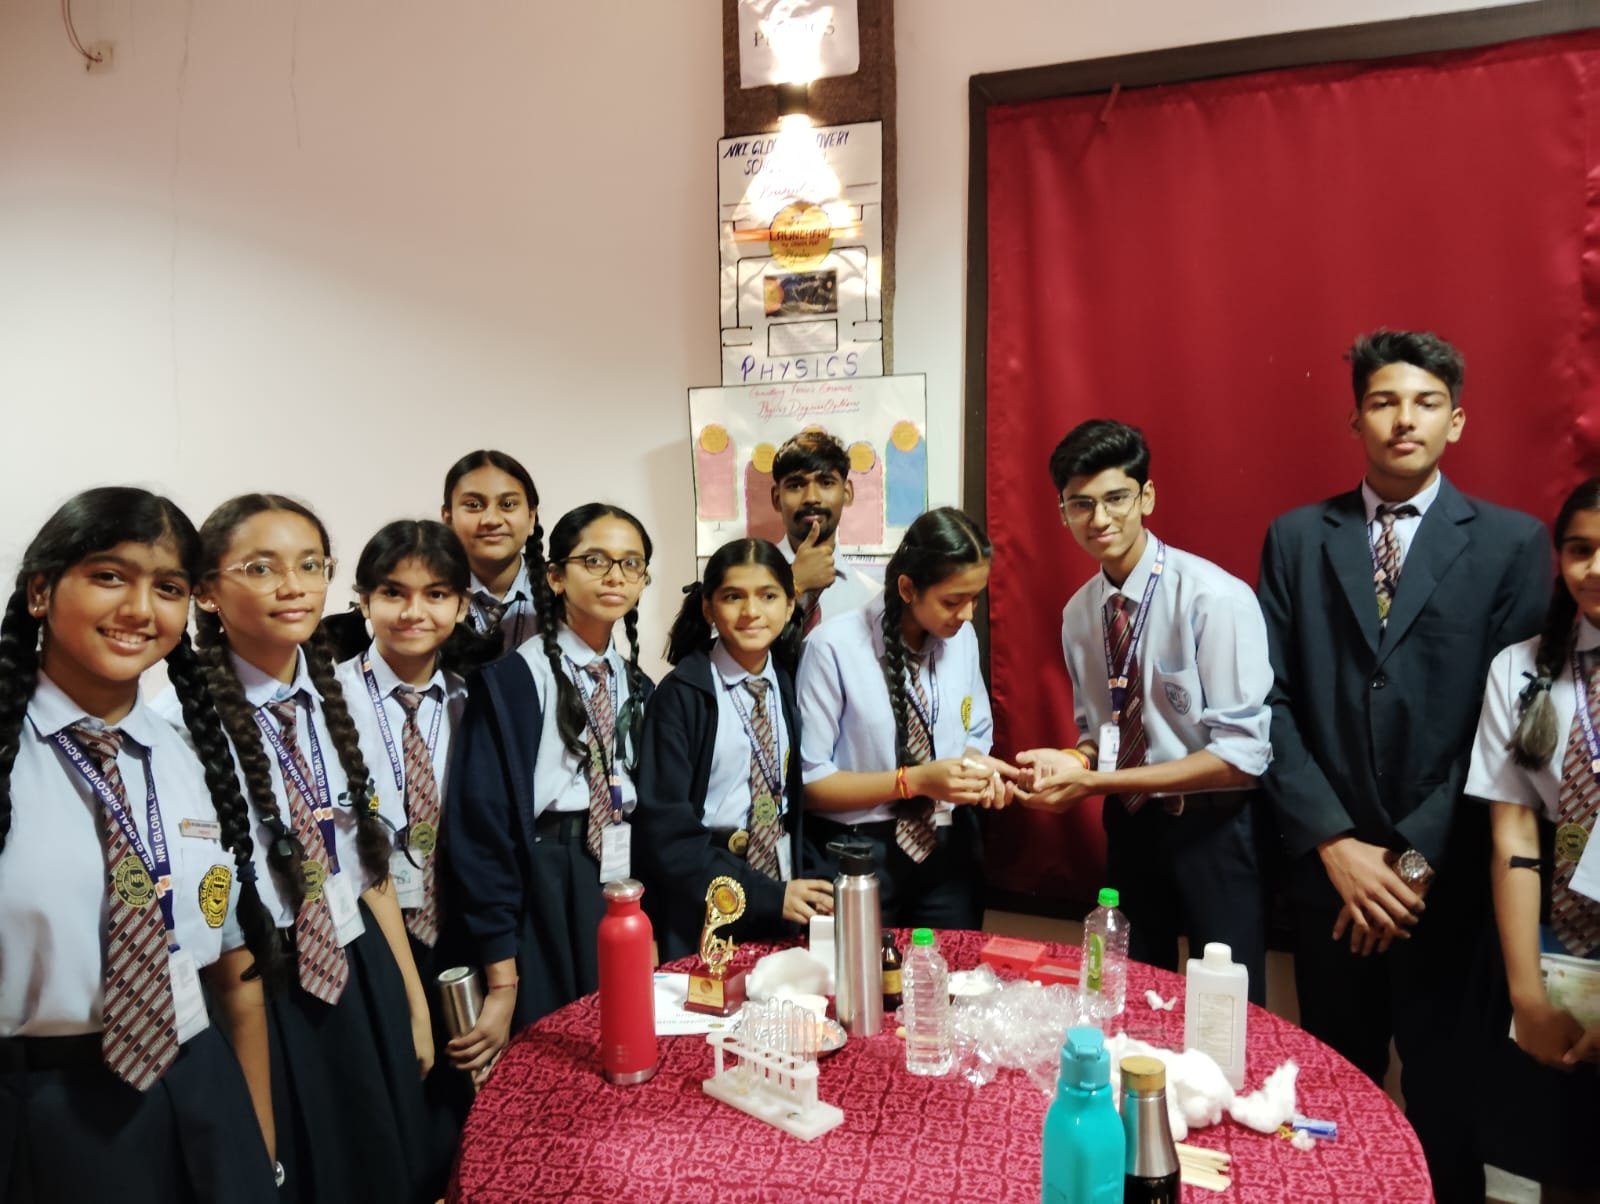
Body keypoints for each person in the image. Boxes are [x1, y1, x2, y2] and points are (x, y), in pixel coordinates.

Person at [1256, 329, 1549, 1201]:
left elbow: (1507, 727)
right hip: (1331, 881)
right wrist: (1337, 846)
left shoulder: (1512, 544)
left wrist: (1410, 867)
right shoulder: (1296, 538)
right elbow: (1266, 702)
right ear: (1355, 418)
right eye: (1384, 401)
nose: (1404, 419)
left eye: (1426, 403)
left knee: (1446, 1111)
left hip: (1443, 888)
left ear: (1456, 421)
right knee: (1329, 1097)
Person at [0, 487, 277, 1202]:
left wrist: (258, 1145)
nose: (139, 610)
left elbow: (233, 969)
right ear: (40, 591)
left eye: (169, 588)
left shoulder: (189, 751)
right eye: (108, 576)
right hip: (44, 1110)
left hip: (200, 1080)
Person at [177, 493, 437, 1204]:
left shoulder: (338, 698)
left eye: (311, 565)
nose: (293, 586)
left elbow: (370, 865)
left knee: (386, 1164)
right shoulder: (179, 724)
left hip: (360, 962)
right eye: (261, 568)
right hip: (263, 983)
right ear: (206, 591)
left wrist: (411, 998)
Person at [1016, 420, 1273, 1001]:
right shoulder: (1079, 614)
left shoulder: (1213, 598)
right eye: (1081, 504)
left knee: (1225, 1009)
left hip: (1213, 829)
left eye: (1116, 498)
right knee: (1128, 998)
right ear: (1062, 512)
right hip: (1131, 827)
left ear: (1147, 497)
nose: (1099, 519)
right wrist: (1073, 763)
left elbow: (1241, 759)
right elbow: (1099, 734)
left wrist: (1096, 783)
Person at [444, 503, 655, 1072]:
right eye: (595, 560)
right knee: (556, 1058)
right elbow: (481, 830)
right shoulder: (512, 681)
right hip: (544, 882)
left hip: (617, 875)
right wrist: (502, 978)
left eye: (630, 563)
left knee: (623, 1048)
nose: (614, 576)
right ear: (557, 576)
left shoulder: (637, 684)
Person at [335, 519, 493, 1183]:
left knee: (472, 1103)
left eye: (435, 594)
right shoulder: (328, 700)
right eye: (393, 593)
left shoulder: (473, 700)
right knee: (398, 1104)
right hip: (370, 933)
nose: (413, 612)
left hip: (457, 922)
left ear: (461, 605)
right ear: (363, 600)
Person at [1466, 477, 1600, 1197]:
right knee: (1566, 1167)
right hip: (1563, 959)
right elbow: (1513, 833)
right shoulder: (1521, 668)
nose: (1595, 568)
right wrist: (1529, 998)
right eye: (1580, 549)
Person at [797, 506, 1018, 928]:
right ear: (907, 588)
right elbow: (811, 784)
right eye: (952, 601)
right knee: (861, 970)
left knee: (952, 966)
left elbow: (974, 734)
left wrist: (976, 773)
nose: (967, 614)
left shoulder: (961, 638)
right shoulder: (832, 648)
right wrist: (913, 781)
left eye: (975, 598)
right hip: (860, 853)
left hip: (948, 846)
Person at [635, 538, 834, 961]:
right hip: (706, 898)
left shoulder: (783, 681)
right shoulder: (681, 696)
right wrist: (765, 895)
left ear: (790, 604)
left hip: (780, 892)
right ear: (709, 608)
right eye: (733, 597)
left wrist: (791, 889)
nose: (751, 611)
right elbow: (666, 833)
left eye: (768, 596)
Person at [769, 430, 881, 632]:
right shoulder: (740, 579)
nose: (811, 498)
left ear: (847, 493)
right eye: (796, 485)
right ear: (776, 498)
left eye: (826, 483)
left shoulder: (872, 598)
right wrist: (794, 585)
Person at [441, 449, 543, 653]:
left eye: (508, 504)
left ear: (531, 517)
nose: (492, 520)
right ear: (448, 519)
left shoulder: (564, 595)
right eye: (474, 505)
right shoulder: (428, 597)